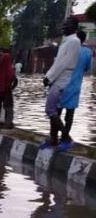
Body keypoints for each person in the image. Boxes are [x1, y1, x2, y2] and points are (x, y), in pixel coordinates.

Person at [42, 16, 81, 149]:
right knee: (55, 111)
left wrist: (50, 77)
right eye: (63, 24)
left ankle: (67, 139)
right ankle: (53, 140)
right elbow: (57, 62)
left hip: (61, 80)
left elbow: (63, 64)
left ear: (74, 27)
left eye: (67, 24)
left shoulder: (74, 41)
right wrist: (48, 76)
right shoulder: (67, 41)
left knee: (50, 110)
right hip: (56, 79)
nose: (63, 26)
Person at [57, 29, 92, 147]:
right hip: (75, 86)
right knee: (69, 114)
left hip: (61, 83)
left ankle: (55, 136)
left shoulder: (67, 48)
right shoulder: (87, 52)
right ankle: (64, 137)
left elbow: (58, 64)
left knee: (56, 112)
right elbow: (87, 68)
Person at [0, 51, 16, 128]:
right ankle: (8, 123)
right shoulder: (11, 69)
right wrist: (11, 88)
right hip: (7, 90)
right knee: (9, 107)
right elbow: (14, 80)